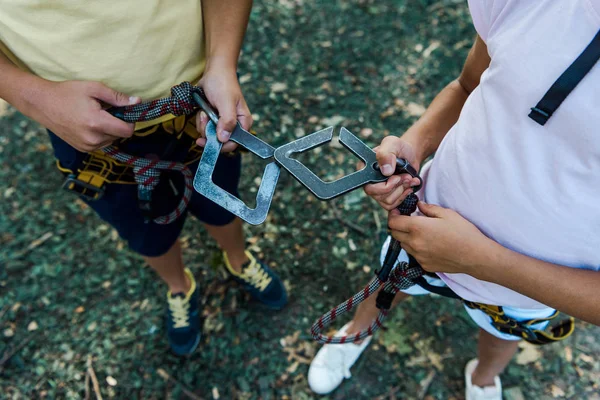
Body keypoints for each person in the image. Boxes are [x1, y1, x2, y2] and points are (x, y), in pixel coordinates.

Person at [308, 0, 600, 398]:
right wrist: (415, 143)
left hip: (532, 289)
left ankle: (483, 378)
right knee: (385, 283)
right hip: (425, 220)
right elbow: (468, 85)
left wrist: (483, 261)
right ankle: (357, 332)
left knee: (502, 334)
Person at [0, 0, 287, 356]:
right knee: (148, 235)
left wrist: (222, 62)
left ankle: (238, 259)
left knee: (223, 203)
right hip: (91, 138)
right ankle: (179, 287)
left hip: (202, 109)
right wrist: (33, 97)